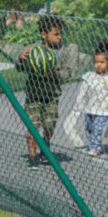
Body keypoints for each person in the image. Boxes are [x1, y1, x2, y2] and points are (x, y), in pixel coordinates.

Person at [17, 15, 65, 168]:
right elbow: (19, 68)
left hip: (51, 96)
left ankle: (45, 146)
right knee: (33, 127)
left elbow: (68, 73)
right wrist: (21, 59)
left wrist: (51, 70)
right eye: (56, 34)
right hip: (33, 96)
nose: (59, 37)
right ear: (44, 34)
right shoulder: (33, 50)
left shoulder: (62, 52)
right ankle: (32, 156)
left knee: (49, 127)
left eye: (60, 34)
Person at [71, 45, 108, 156]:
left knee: (97, 129)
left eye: (102, 62)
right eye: (96, 62)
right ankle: (92, 144)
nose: (98, 65)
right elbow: (83, 91)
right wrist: (79, 104)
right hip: (90, 108)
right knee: (89, 128)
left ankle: (95, 148)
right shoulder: (89, 76)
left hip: (104, 110)